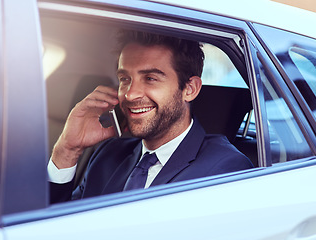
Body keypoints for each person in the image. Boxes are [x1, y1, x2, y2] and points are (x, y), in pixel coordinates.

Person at [49, 31, 253, 203]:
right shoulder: (107, 155)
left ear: (189, 89)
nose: (129, 94)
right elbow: (56, 227)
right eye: (124, 79)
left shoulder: (226, 170)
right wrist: (67, 150)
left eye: (150, 78)